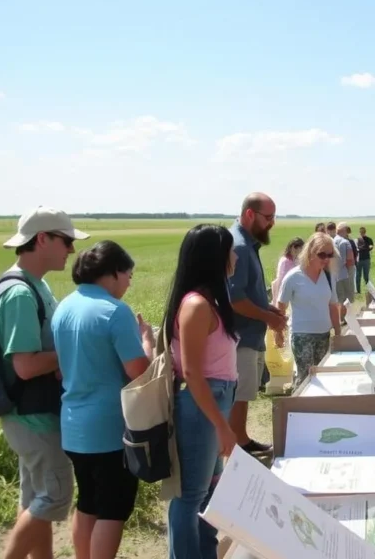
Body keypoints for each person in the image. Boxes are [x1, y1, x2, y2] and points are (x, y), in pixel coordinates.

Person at [52, 241, 155, 559]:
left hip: (72, 426)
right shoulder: (115, 311)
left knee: (88, 502)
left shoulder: (64, 308)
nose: (128, 282)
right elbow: (139, 372)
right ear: (113, 273)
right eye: (128, 275)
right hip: (109, 429)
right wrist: (148, 342)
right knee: (113, 508)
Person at [0, 206, 88, 559]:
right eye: (66, 241)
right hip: (32, 416)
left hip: (31, 413)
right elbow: (25, 365)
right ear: (43, 239)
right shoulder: (20, 294)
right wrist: (73, 353)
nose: (72, 250)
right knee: (56, 496)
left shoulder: (36, 285)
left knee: (37, 499)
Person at [165, 224, 240, 559]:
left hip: (214, 402)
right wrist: (222, 425)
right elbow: (193, 373)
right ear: (216, 257)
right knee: (191, 495)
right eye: (230, 250)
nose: (235, 256)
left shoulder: (210, 300)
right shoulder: (196, 305)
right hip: (202, 406)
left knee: (211, 491)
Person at [226, 193, 282, 458]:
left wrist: (266, 308)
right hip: (240, 337)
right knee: (240, 394)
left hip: (250, 334)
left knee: (246, 393)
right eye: (268, 217)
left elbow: (248, 293)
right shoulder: (237, 246)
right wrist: (268, 317)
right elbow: (235, 299)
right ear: (250, 214)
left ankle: (242, 439)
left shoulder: (247, 244)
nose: (272, 223)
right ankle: (236, 448)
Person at [276, 232, 342, 385]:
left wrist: (338, 333)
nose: (326, 259)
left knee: (322, 377)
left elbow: (333, 306)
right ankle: (297, 407)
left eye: (329, 255)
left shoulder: (328, 277)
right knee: (305, 377)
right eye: (322, 255)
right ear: (310, 252)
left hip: (324, 335)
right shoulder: (293, 277)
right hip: (301, 336)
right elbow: (281, 305)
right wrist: (278, 332)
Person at [332, 222, 356, 308]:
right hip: (346, 273)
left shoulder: (332, 241)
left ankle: (341, 318)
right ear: (344, 231)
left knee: (340, 297)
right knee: (348, 296)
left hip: (335, 274)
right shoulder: (345, 242)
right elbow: (350, 260)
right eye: (347, 231)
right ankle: (349, 317)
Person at [355, 226, 374, 294]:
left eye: (363, 232)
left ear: (365, 232)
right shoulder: (357, 240)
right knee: (358, 276)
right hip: (359, 260)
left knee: (366, 276)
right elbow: (356, 248)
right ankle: (358, 290)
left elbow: (371, 246)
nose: (362, 233)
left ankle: (369, 290)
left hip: (366, 259)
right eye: (361, 232)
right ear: (359, 232)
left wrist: (367, 248)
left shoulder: (369, 239)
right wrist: (366, 248)